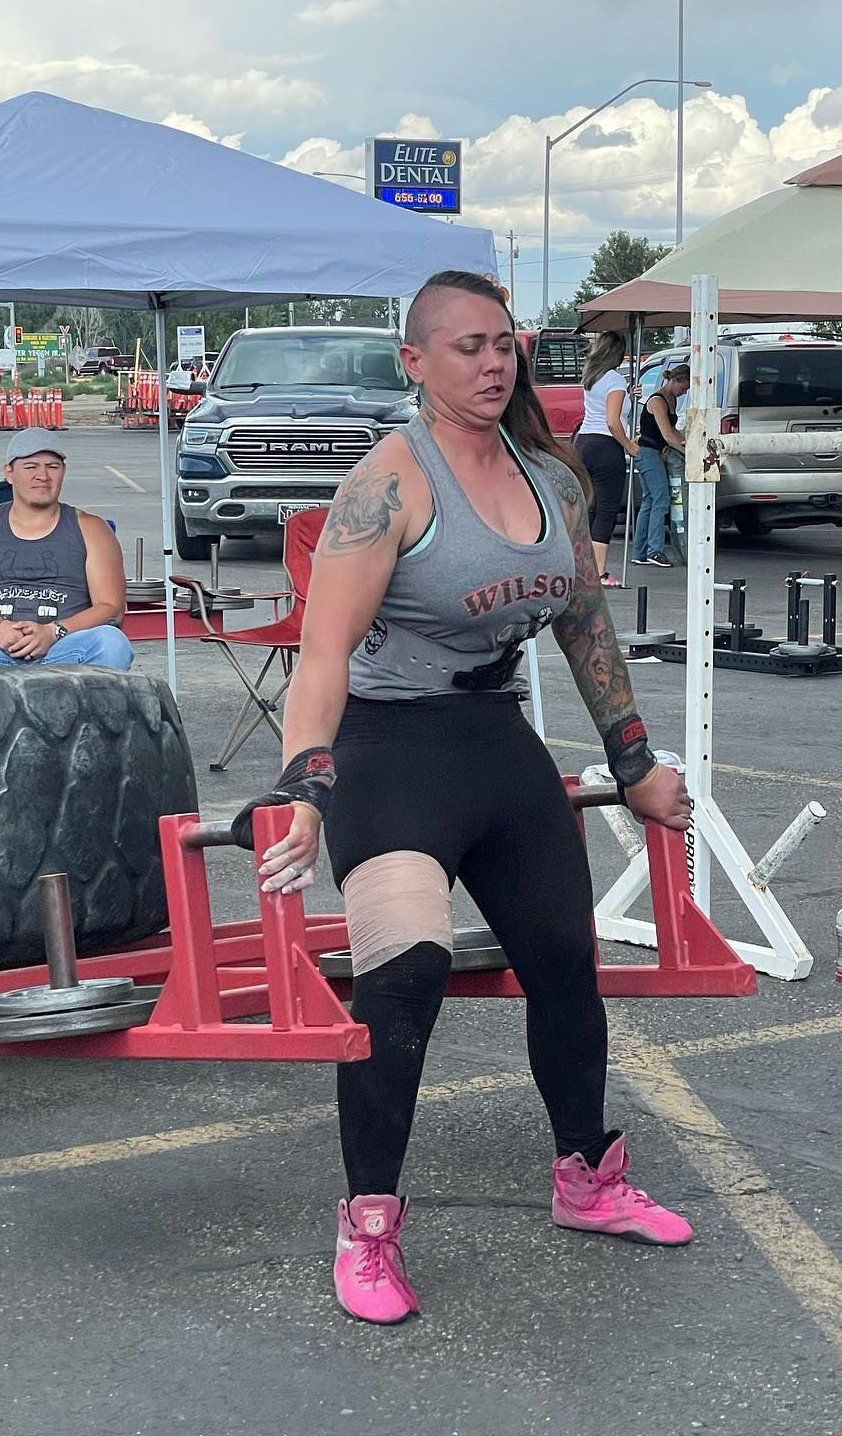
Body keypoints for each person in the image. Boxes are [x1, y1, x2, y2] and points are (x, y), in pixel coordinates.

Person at [232, 270, 694, 1326]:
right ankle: (368, 1225)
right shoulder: (386, 486)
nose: (493, 365)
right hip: (388, 753)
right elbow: (322, 654)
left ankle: (586, 1177)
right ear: (416, 362)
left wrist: (633, 762)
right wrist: (306, 788)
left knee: (565, 963)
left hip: (495, 742)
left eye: (503, 345)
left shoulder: (554, 480)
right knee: (406, 976)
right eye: (467, 347)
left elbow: (584, 625)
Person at [0, 429, 134, 670]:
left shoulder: (93, 528)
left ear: (63, 472)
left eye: (52, 467)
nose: (42, 476)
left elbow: (111, 607)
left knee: (112, 643)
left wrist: (54, 631)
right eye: (30, 467)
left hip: (65, 646)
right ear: (9, 473)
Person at [574, 330, 638, 586]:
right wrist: (629, 445)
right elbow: (612, 421)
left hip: (584, 442)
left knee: (589, 507)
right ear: (619, 354)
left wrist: (629, 396)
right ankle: (599, 572)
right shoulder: (615, 380)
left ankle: (583, 566)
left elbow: (605, 409)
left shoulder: (592, 376)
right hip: (606, 446)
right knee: (606, 509)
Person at [633, 364, 691, 568]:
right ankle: (654, 550)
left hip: (655, 453)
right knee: (661, 499)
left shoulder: (671, 399)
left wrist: (687, 442)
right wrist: (688, 453)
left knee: (649, 500)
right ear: (674, 380)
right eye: (683, 388)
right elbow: (668, 435)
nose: (684, 392)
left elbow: (674, 431)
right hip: (648, 452)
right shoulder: (657, 401)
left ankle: (640, 551)